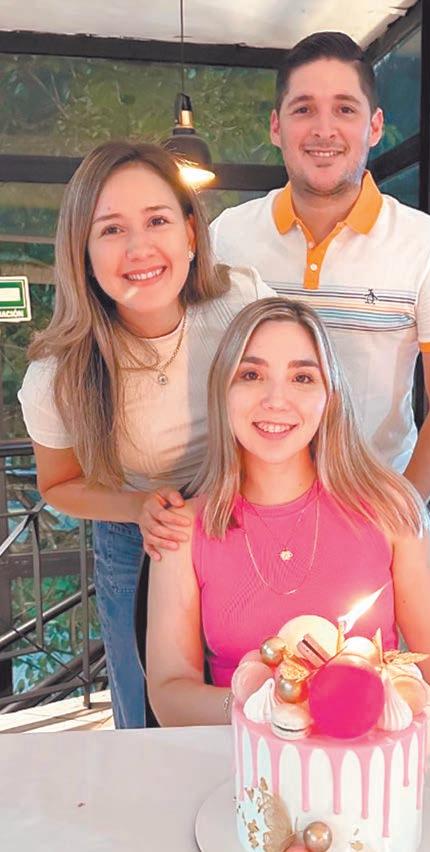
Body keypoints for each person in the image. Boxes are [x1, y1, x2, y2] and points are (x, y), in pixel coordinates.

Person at [146, 298, 430, 726]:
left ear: (330, 396)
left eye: (302, 377)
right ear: (222, 390)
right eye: (251, 375)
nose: (276, 399)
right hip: (240, 762)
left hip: (367, 761)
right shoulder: (181, 529)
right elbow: (169, 694)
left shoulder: (390, 508)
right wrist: (267, 708)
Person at [17, 140, 273, 729]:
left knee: (263, 695)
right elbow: (58, 484)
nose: (139, 249)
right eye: (111, 230)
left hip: (245, 517)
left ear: (190, 233)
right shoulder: (57, 374)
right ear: (82, 253)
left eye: (157, 220)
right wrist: (137, 506)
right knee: (148, 716)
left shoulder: (242, 303)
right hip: (140, 538)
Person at [210, 32, 430, 501]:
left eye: (344, 109)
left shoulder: (428, 244)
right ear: (276, 126)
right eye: (303, 109)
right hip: (247, 504)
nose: (324, 129)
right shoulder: (227, 236)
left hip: (369, 504)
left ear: (374, 126)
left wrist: (402, 513)